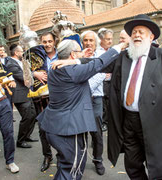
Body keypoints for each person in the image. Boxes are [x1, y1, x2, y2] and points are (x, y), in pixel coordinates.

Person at [59, 14, 162, 180]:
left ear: (151, 37)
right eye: (134, 32)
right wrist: (74, 62)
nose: (136, 35)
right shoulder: (124, 57)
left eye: (141, 32)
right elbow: (99, 64)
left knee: (161, 170)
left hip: (154, 121)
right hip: (129, 121)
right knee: (132, 165)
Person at [37, 39, 125, 179]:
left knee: (65, 167)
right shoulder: (73, 71)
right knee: (72, 169)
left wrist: (81, 55)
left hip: (55, 126)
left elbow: (85, 63)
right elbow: (99, 63)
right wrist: (118, 46)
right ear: (72, 54)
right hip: (69, 129)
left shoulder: (55, 67)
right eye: (79, 51)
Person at [81, 30, 106, 175]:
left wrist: (86, 90)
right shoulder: (78, 55)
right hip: (81, 99)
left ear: (96, 42)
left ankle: (98, 160)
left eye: (91, 40)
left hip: (96, 98)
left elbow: (101, 74)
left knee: (96, 132)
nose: (88, 43)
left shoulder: (101, 56)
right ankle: (81, 160)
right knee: (81, 131)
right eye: (86, 40)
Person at [33, 31, 58, 172]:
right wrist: (33, 73)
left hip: (60, 97)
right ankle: (47, 156)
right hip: (41, 99)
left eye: (50, 41)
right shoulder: (34, 55)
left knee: (61, 128)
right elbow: (25, 75)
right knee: (43, 129)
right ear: (40, 42)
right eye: (44, 42)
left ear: (54, 41)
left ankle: (62, 155)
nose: (47, 44)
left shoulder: (62, 54)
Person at [6, 44, 37, 148]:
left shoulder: (20, 62)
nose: (23, 53)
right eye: (21, 51)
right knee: (27, 117)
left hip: (26, 93)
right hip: (20, 95)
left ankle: (27, 136)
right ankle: (20, 140)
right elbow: (23, 77)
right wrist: (35, 74)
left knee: (33, 115)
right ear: (16, 53)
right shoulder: (11, 64)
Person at [97, 28, 114, 132]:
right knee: (102, 103)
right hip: (101, 82)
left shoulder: (113, 51)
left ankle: (108, 121)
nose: (110, 41)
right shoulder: (97, 52)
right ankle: (103, 122)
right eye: (107, 39)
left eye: (111, 39)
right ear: (101, 39)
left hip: (111, 81)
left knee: (109, 102)